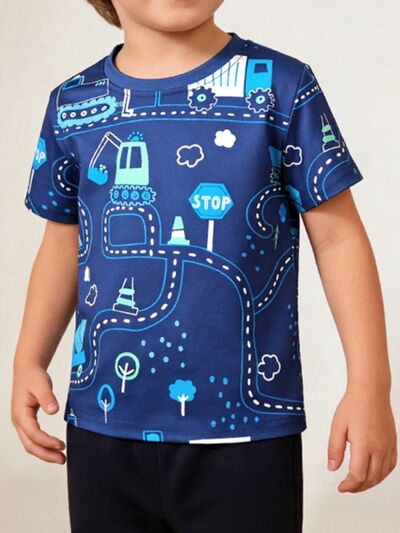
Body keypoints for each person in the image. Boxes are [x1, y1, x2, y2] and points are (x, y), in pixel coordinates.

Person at [11, 1, 397, 531]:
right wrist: (28, 360)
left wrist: (371, 386)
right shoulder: (73, 103)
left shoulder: (283, 88)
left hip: (246, 438)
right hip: (102, 430)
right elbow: (62, 242)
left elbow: (338, 239)